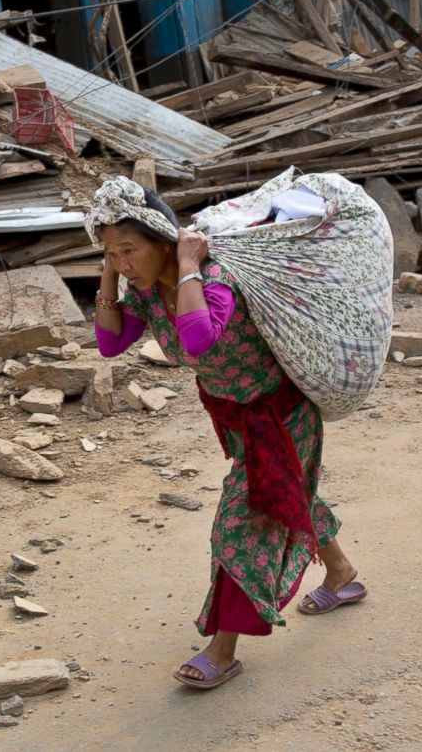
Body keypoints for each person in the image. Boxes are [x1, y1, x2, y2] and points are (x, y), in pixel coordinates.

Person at [88, 178, 365, 691]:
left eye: (129, 250)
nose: (123, 263)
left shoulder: (215, 276)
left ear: (162, 239)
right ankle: (342, 573)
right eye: (110, 252)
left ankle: (222, 649)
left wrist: (189, 267)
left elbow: (198, 340)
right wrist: (111, 273)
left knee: (243, 521)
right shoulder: (148, 292)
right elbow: (109, 343)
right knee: (286, 492)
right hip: (233, 415)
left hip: (279, 414)